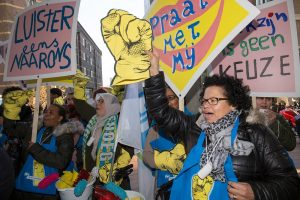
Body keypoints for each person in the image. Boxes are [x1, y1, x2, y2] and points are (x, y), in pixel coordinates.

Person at [144, 51, 300, 200]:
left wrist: (256, 192)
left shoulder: (256, 134)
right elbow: (161, 112)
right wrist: (154, 72)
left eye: (214, 100)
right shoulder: (194, 128)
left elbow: (291, 184)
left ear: (233, 104)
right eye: (204, 101)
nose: (205, 106)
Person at [3, 94, 79, 199]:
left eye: (51, 113)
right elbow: (10, 130)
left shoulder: (65, 136)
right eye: (46, 112)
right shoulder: (35, 129)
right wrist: (10, 111)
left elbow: (61, 162)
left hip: (47, 191)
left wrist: (35, 148)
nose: (46, 115)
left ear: (60, 118)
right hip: (24, 186)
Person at [72, 70, 134, 189]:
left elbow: (129, 148)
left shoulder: (121, 121)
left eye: (102, 101)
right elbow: (80, 105)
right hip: (93, 178)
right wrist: (79, 87)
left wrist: (118, 168)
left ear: (112, 105)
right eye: (97, 101)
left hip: (114, 178)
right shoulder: (95, 118)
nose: (97, 104)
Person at [143, 87, 188, 199]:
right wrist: (164, 160)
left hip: (189, 186)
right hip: (164, 187)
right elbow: (146, 155)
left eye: (171, 98)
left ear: (180, 99)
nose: (167, 102)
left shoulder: (194, 122)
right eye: (164, 99)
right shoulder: (155, 128)